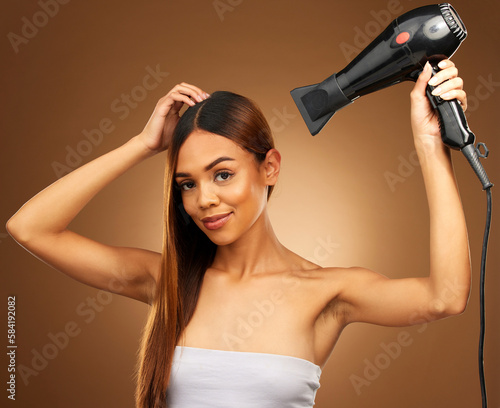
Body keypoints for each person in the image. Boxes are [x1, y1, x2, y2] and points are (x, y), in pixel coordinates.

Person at [6, 59, 470, 408]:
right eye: (187, 184)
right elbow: (29, 228)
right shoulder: (165, 281)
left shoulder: (328, 291)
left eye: (222, 174)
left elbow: (444, 297)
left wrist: (430, 145)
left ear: (269, 167)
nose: (204, 198)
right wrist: (142, 145)